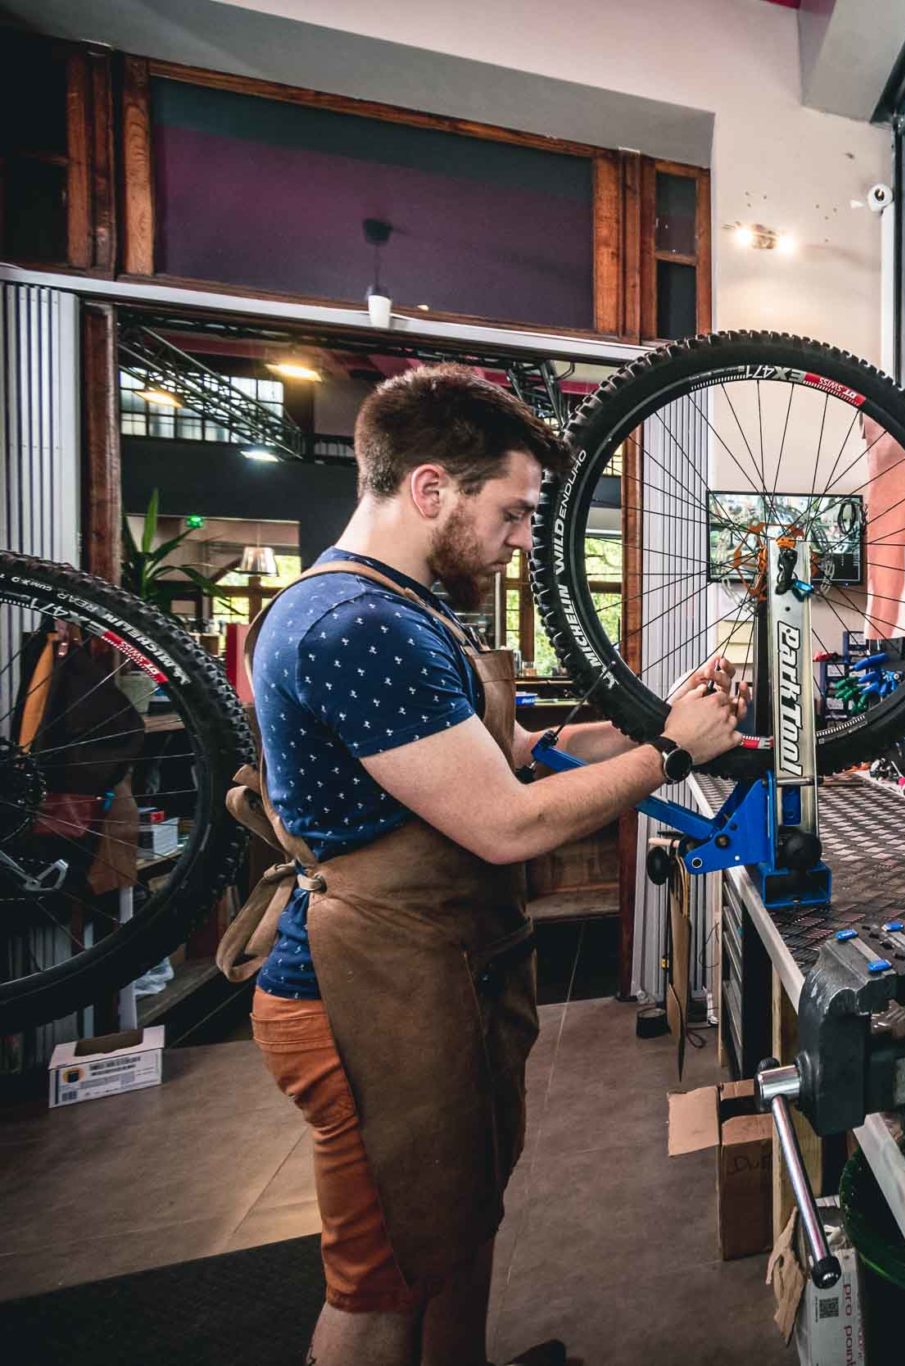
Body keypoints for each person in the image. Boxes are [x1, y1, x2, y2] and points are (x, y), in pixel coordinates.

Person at [217, 364, 745, 1366]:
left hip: (429, 976)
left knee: (455, 1228)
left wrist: (659, 720)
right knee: (382, 1279)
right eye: (513, 511)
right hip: (359, 998)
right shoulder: (355, 625)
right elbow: (507, 824)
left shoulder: (403, 608)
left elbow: (512, 758)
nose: (522, 539)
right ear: (430, 488)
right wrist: (672, 756)